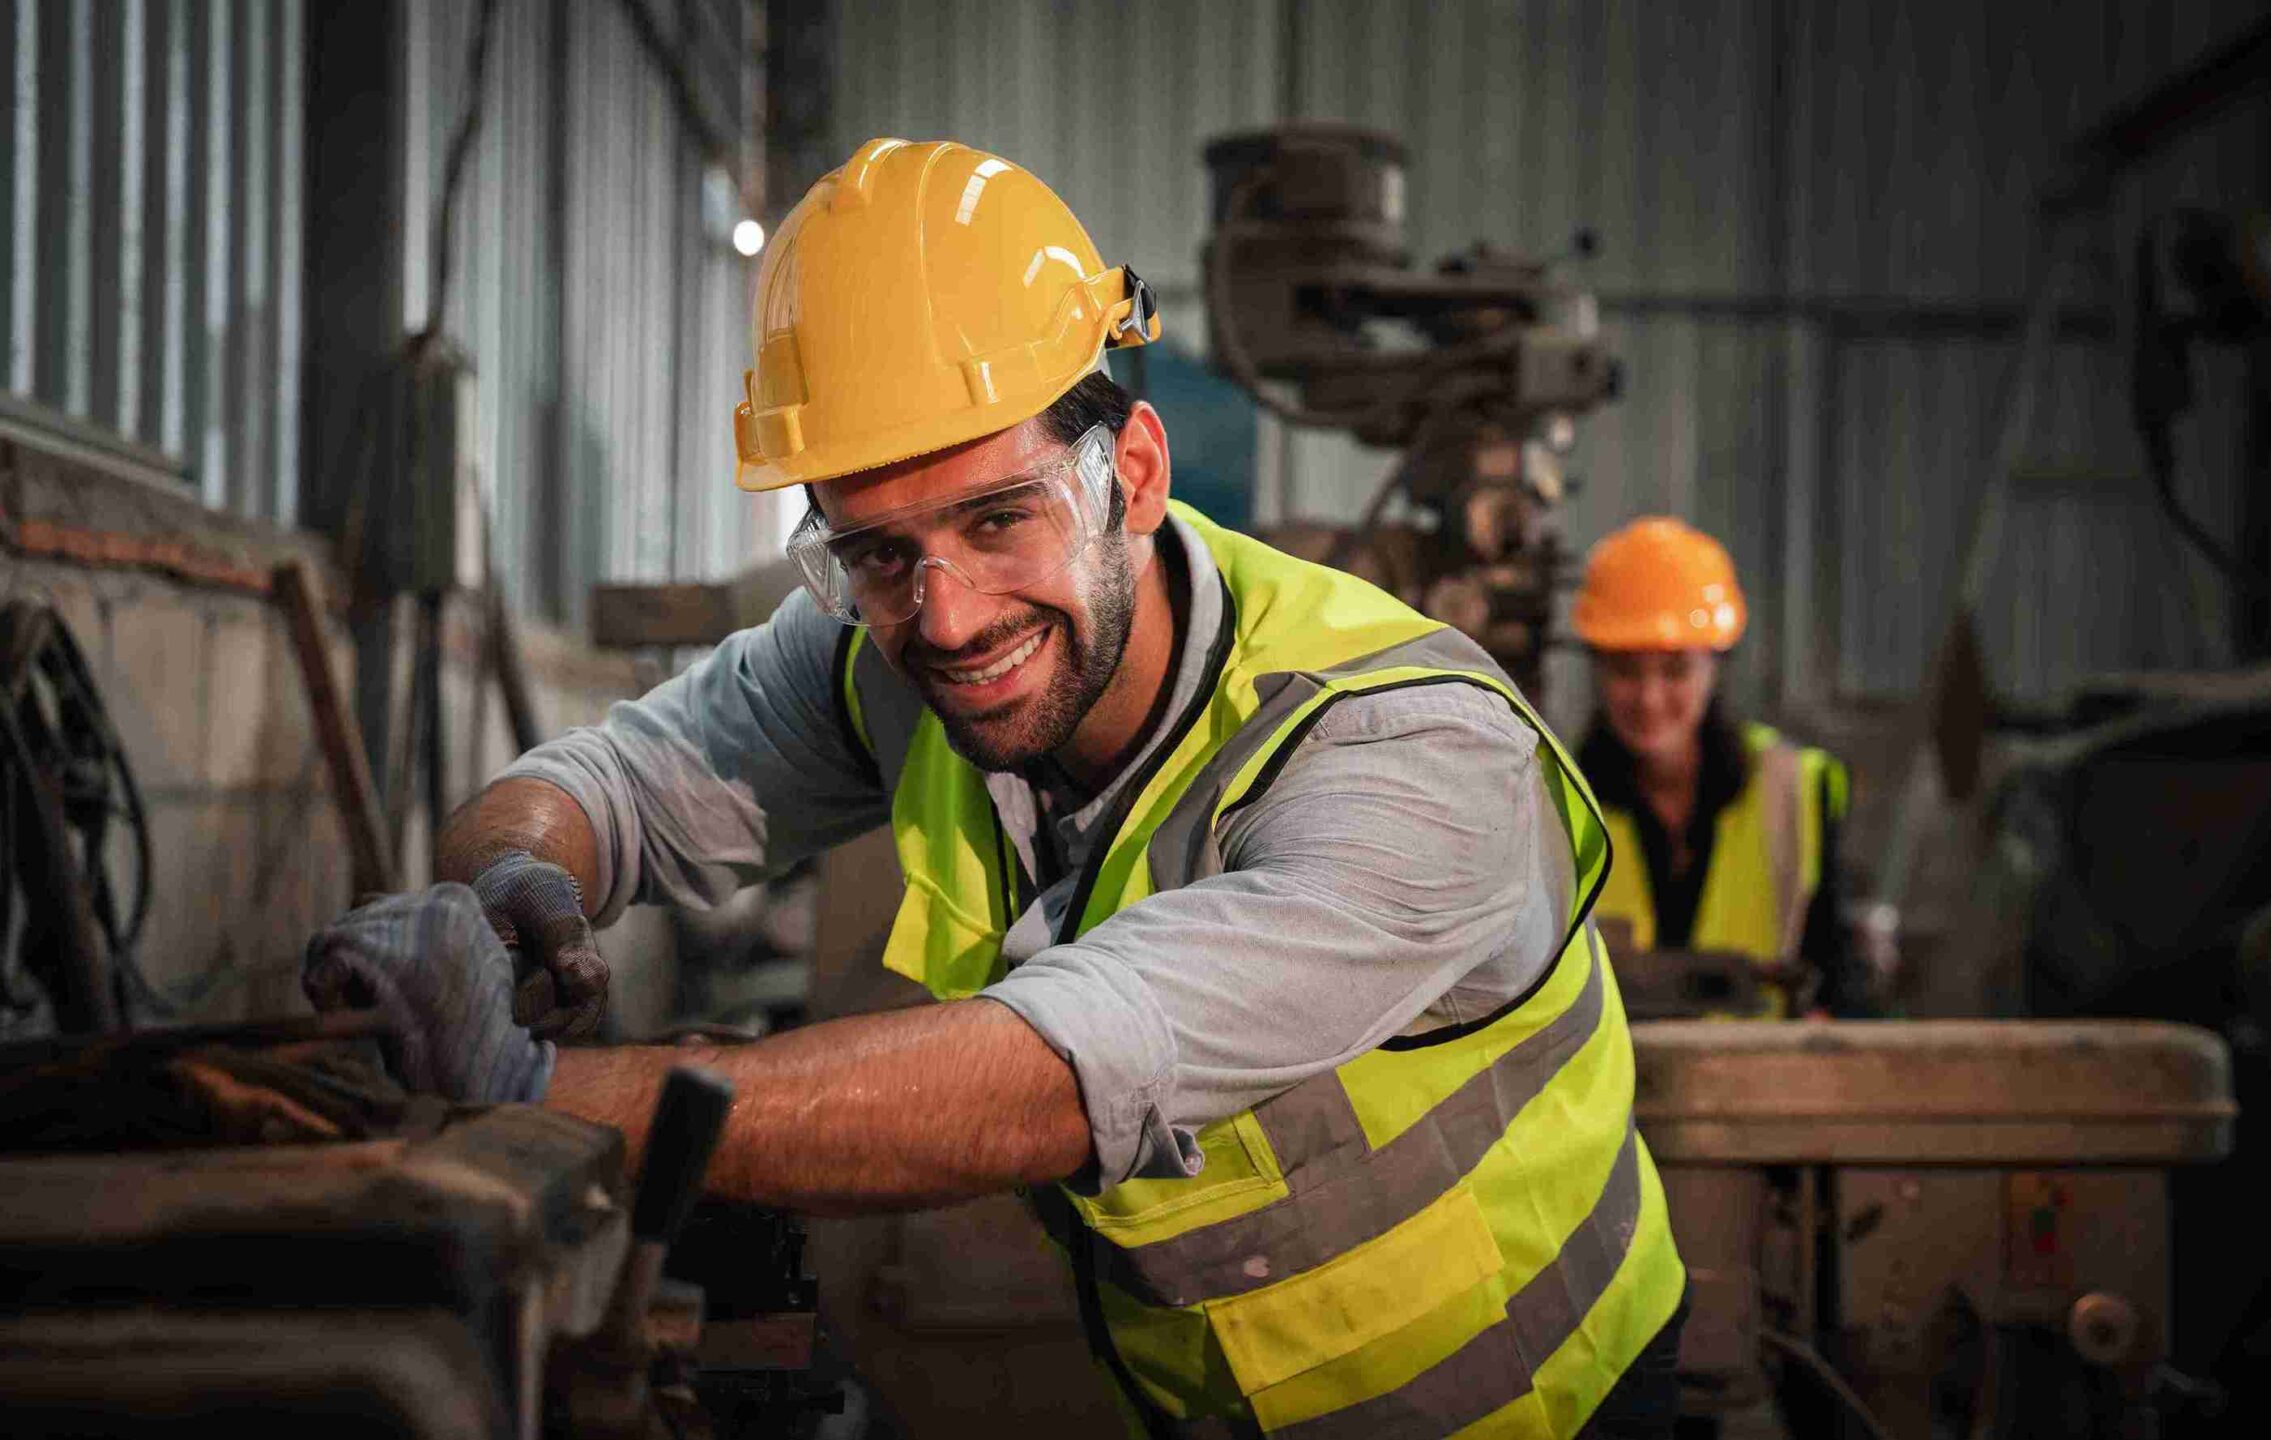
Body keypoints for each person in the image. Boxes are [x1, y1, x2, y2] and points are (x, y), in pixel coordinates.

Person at [307, 139, 1687, 1438]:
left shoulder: (1405, 751)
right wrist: (510, 884)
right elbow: (607, 785)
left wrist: (537, 1086)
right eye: (875, 552)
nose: (948, 615)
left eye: (997, 518)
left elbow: (1063, 1072)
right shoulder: (886, 649)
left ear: (1130, 474)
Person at [1570, 517, 1875, 1020]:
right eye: (1625, 670)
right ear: (1597, 669)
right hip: (1610, 1094)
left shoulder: (1794, 790)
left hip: (1762, 1088)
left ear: (1715, 665)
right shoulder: (1557, 799)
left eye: (1675, 670)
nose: (1649, 698)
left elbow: (1835, 977)